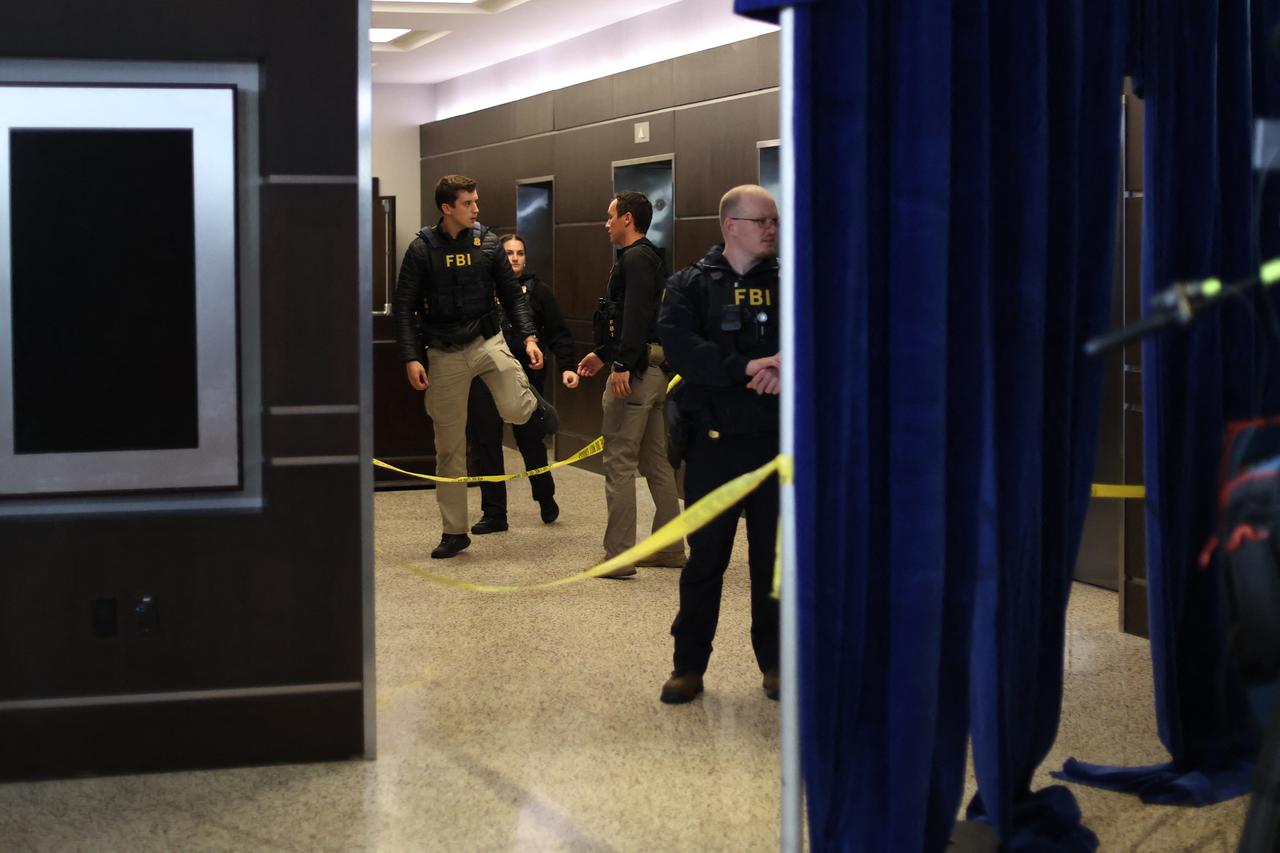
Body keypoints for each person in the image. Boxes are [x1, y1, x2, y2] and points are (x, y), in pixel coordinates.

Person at [654, 184, 781, 704]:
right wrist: (746, 366)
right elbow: (681, 347)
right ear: (731, 226)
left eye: (774, 221)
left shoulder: (792, 280)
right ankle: (688, 666)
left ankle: (776, 663)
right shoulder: (688, 285)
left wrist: (786, 366)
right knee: (707, 559)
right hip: (714, 444)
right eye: (761, 221)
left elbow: (821, 333)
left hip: (777, 445)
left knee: (772, 563)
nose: (772, 229)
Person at [393, 174, 558, 560]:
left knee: (516, 409)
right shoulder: (421, 250)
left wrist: (530, 338)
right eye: (468, 203)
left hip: (488, 342)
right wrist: (411, 357)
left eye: (476, 201)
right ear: (447, 208)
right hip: (444, 352)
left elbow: (513, 297)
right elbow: (404, 308)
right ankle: (454, 532)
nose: (476, 209)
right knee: (448, 448)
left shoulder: (488, 243)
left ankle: (534, 405)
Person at [577, 191, 685, 579]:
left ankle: (619, 556)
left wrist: (620, 364)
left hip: (636, 375)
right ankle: (670, 548)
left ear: (627, 219)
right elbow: (628, 320)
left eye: (610, 216)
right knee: (656, 461)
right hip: (654, 372)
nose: (606, 223)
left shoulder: (636, 259)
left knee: (619, 462)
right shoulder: (650, 258)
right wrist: (604, 355)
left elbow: (636, 316)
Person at [466, 234, 578, 533]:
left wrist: (567, 367)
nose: (515, 258)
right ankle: (494, 513)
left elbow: (559, 334)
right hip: (486, 377)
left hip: (524, 380)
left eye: (520, 253)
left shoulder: (538, 291)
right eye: (509, 253)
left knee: (531, 443)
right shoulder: (482, 291)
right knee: (486, 443)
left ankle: (546, 497)